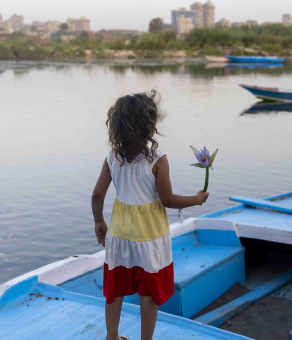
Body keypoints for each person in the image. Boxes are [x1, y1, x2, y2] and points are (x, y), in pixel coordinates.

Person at [91, 91, 209, 340]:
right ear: (149, 126)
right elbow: (168, 200)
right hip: (150, 238)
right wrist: (197, 199)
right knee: (149, 294)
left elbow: (96, 196)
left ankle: (112, 337)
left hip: (120, 236)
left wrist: (99, 222)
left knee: (115, 291)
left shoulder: (112, 157)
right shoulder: (158, 159)